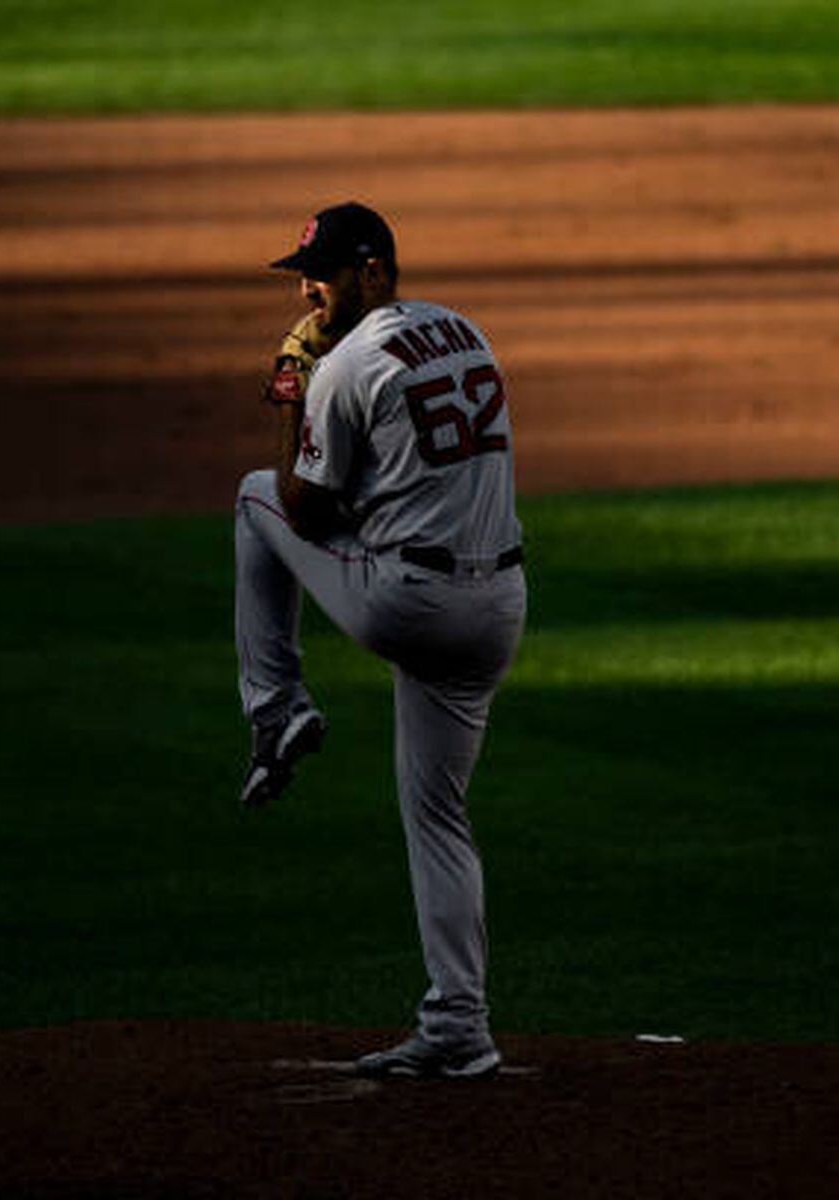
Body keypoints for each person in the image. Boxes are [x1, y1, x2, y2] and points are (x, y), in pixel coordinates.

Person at [234, 201, 526, 1080]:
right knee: (438, 814)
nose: (308, 287)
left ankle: (276, 706)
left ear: (375, 269)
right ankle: (458, 1028)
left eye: (321, 271)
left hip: (411, 602)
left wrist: (290, 394)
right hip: (498, 604)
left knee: (253, 495)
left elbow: (306, 507)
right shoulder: (463, 329)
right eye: (301, 272)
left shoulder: (344, 366)